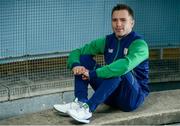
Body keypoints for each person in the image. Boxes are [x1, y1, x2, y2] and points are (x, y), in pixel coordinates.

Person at [54, 3, 149, 124]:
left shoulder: (140, 44)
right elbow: (77, 52)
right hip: (110, 95)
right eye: (115, 20)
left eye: (123, 20)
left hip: (131, 98)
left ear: (132, 23)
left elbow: (124, 66)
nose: (118, 24)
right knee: (83, 58)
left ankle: (87, 109)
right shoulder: (107, 41)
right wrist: (75, 65)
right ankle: (80, 102)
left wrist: (93, 74)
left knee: (119, 70)